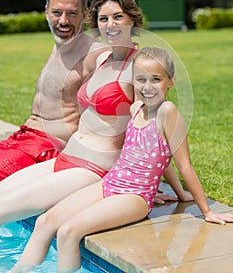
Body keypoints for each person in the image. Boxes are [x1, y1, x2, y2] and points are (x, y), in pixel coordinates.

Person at [8, 46, 233, 273]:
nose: (147, 86)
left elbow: (184, 165)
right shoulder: (136, 108)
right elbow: (161, 159)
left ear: (170, 81)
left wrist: (206, 211)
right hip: (110, 183)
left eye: (155, 79)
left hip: (134, 195)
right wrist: (180, 193)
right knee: (45, 222)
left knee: (68, 232)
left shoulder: (168, 111)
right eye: (140, 79)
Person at [0, 0, 190, 225]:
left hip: (92, 168)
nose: (110, 24)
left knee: (3, 209)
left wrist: (161, 188)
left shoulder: (138, 69)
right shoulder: (102, 58)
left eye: (118, 16)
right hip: (67, 157)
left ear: (133, 19)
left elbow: (154, 134)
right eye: (103, 18)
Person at [0, 0, 108, 180]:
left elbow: (120, 117)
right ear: (46, 12)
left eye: (72, 13)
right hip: (22, 140)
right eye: (57, 13)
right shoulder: (60, 43)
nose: (63, 21)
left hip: (48, 148)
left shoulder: (96, 54)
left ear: (85, 15)